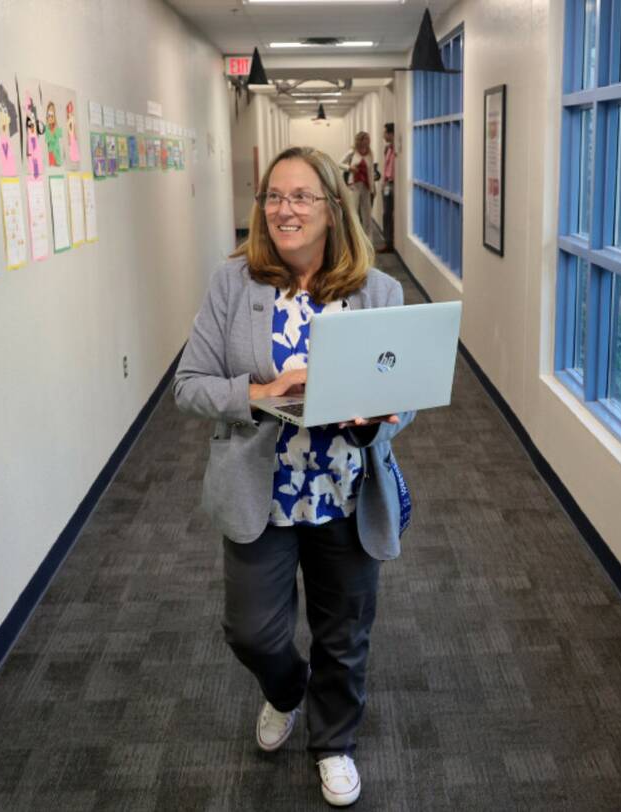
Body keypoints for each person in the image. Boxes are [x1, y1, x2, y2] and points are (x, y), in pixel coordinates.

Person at [173, 146, 413, 807]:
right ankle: (286, 691)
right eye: (274, 197)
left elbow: (403, 395)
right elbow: (188, 386)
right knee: (252, 631)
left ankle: (334, 743)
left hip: (344, 490)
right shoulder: (233, 286)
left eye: (302, 197)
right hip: (261, 491)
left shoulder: (378, 292)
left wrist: (377, 421)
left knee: (345, 629)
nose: (285, 209)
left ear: (334, 209)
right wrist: (261, 391)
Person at [339, 131, 380, 245]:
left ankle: (368, 242)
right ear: (359, 140)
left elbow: (371, 171)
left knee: (367, 215)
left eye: (368, 139)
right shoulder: (352, 152)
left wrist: (373, 188)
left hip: (366, 187)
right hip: (354, 186)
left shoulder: (370, 154)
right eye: (365, 139)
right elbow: (339, 163)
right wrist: (349, 168)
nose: (367, 142)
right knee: (353, 213)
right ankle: (352, 240)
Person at [379, 122, 396, 253]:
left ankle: (389, 242)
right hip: (387, 184)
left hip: (392, 184)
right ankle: (388, 241)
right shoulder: (388, 149)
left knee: (387, 214)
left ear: (391, 133)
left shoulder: (395, 149)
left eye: (385, 132)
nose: (383, 135)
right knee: (386, 214)